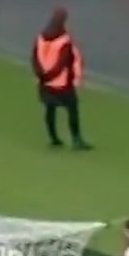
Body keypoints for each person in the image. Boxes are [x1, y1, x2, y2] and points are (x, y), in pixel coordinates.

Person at [33, 8, 90, 151]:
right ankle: (76, 139)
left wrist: (41, 76)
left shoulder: (41, 37)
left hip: (45, 83)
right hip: (62, 83)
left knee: (50, 109)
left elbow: (34, 58)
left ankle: (53, 138)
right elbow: (63, 63)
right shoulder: (64, 40)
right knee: (72, 108)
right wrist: (73, 77)